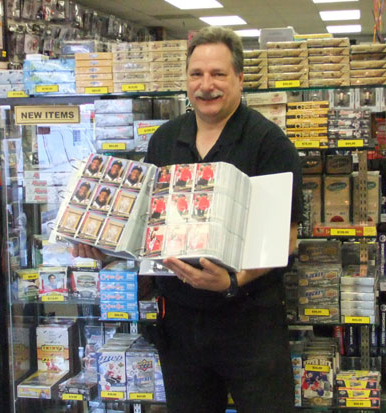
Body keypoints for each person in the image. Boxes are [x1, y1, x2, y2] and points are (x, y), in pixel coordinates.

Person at [73, 26, 303, 413]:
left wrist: (232, 280)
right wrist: (105, 246)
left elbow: (286, 240)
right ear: (186, 80)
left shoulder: (268, 143)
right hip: (179, 322)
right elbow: (147, 226)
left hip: (249, 320)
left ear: (240, 78)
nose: (206, 85)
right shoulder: (165, 139)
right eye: (196, 74)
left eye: (218, 74)